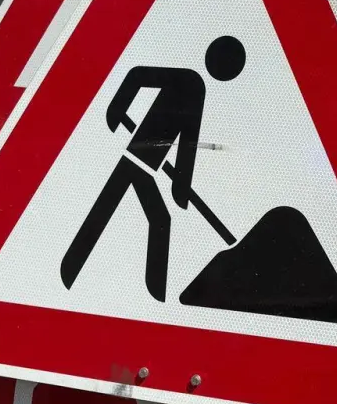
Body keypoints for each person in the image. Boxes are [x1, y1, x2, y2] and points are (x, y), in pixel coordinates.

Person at [60, 35, 246, 302]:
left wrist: (180, 185)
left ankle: (78, 269)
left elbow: (187, 144)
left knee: (126, 212)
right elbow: (137, 76)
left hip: (144, 166)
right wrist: (116, 109)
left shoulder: (195, 87)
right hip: (136, 160)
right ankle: (151, 294)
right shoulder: (189, 82)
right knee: (148, 217)